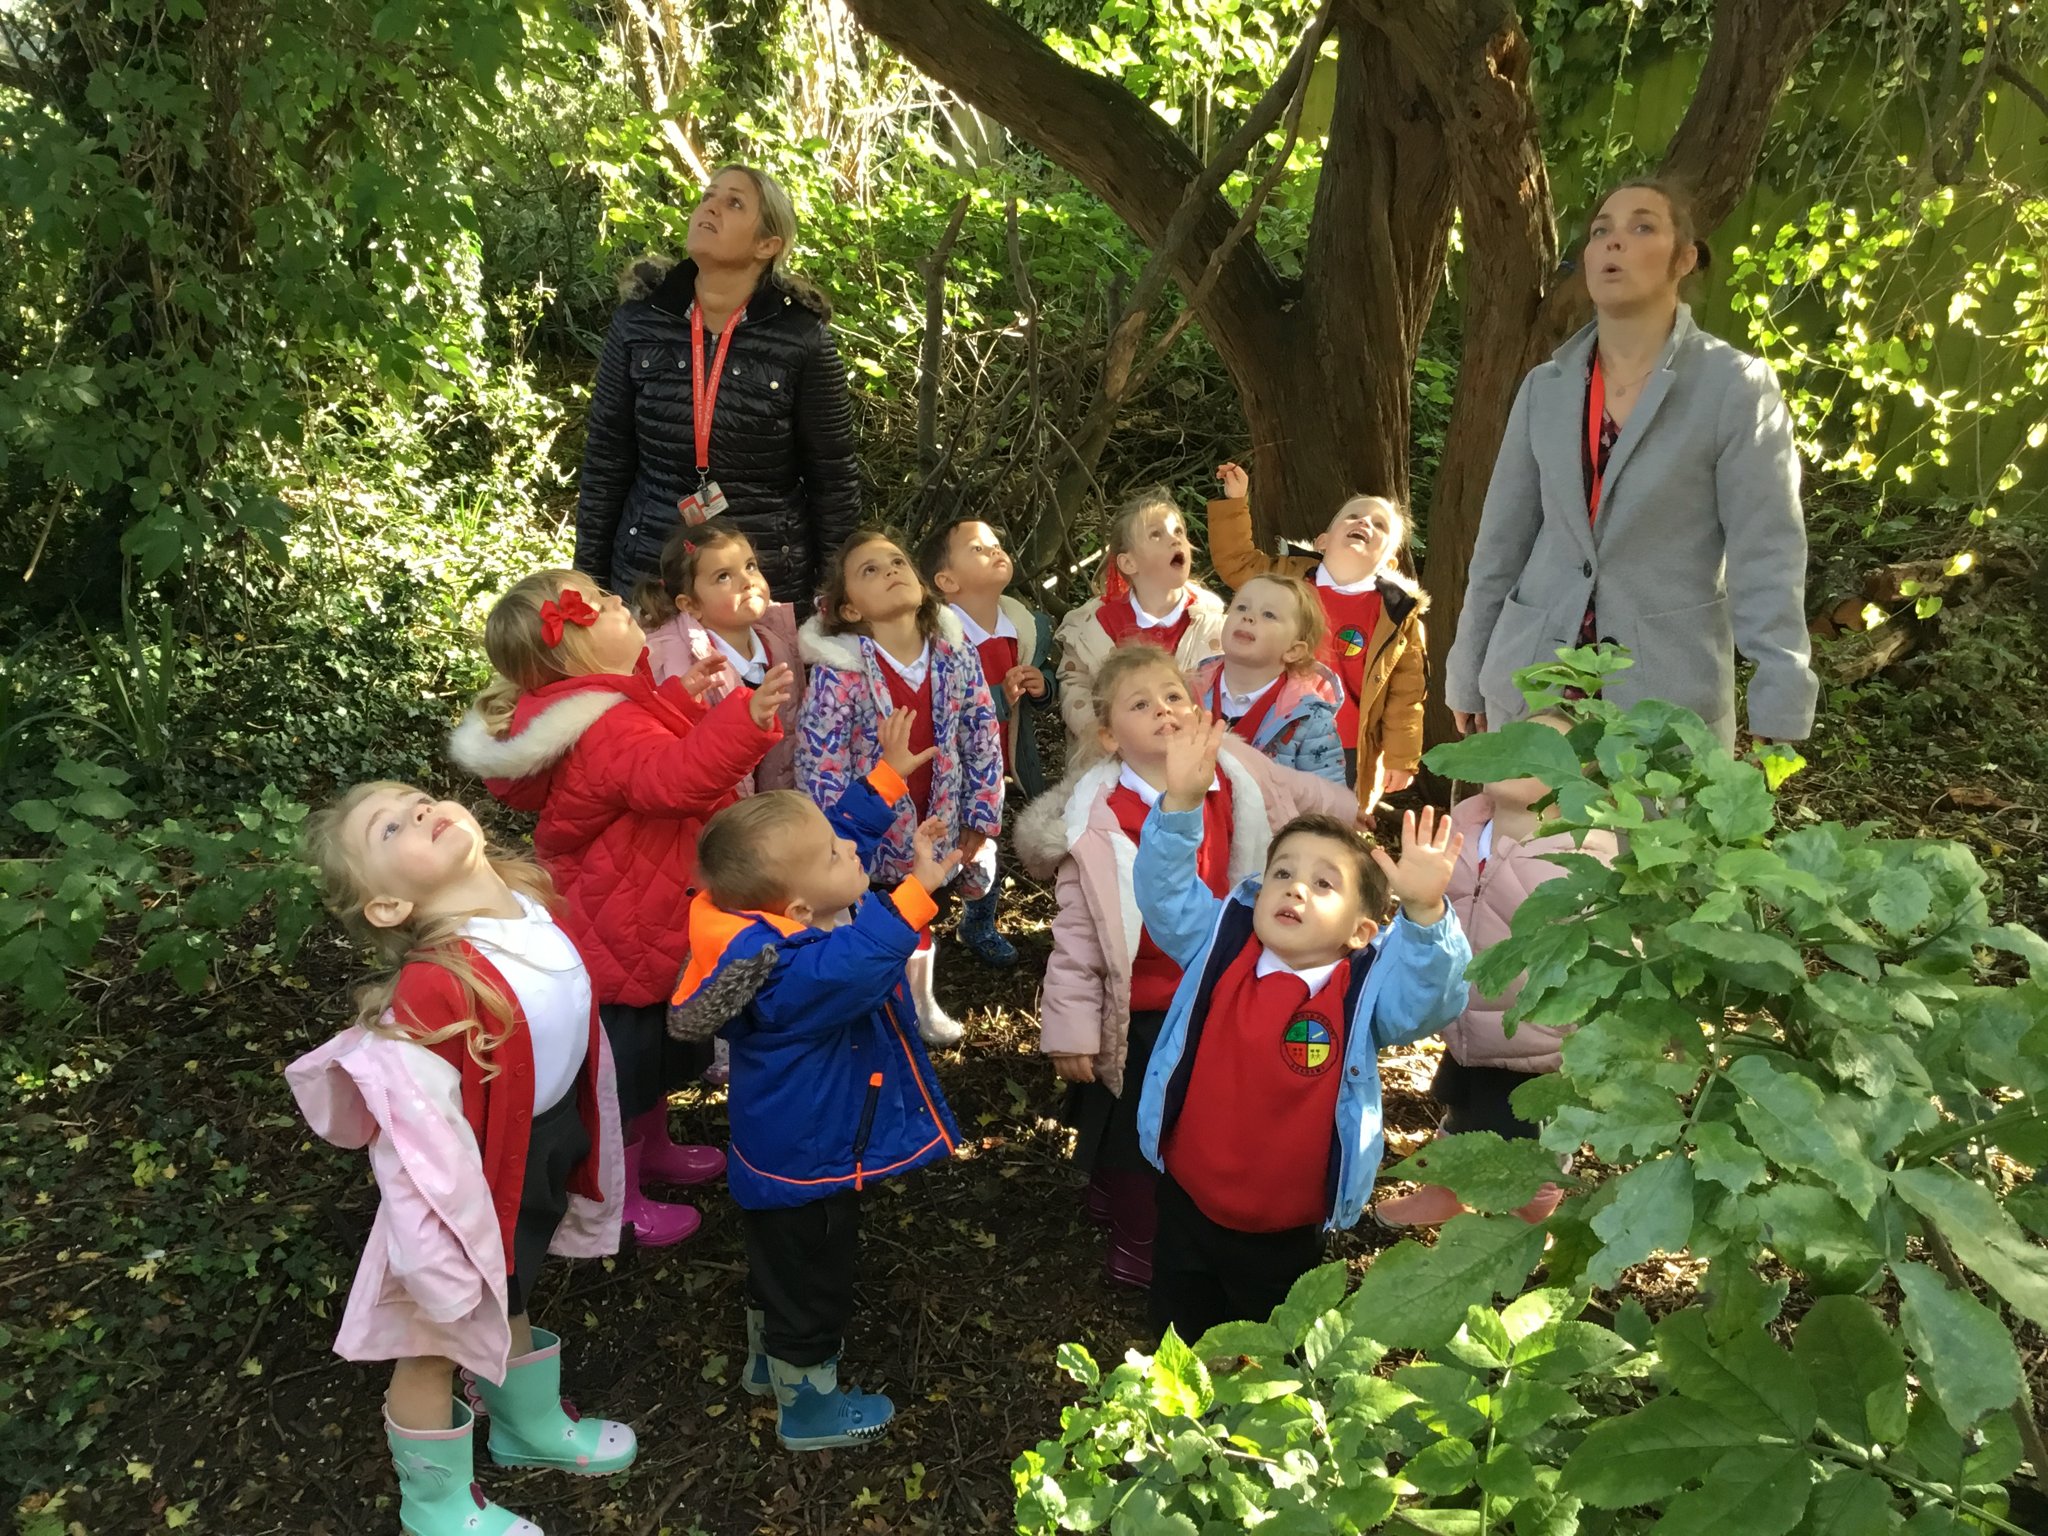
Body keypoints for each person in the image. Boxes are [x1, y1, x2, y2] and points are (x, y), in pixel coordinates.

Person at [289, 784, 635, 1536]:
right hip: (454, 1206)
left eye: (418, 799)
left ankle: (523, 1425)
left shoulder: (522, 907)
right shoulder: (436, 988)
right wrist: (436, 1263)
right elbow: (413, 1144)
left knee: (513, 1290)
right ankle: (435, 1504)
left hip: (530, 1159)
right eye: (391, 827)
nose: (419, 810)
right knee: (432, 1348)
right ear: (385, 906)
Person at [449, 569, 794, 1247]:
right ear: (573, 649)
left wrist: (677, 700)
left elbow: (646, 752)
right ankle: (619, 1198)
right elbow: (669, 778)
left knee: (653, 1052)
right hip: (625, 922)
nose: (621, 604)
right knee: (628, 1070)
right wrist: (743, 721)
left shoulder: (603, 706)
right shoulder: (607, 722)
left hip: (634, 905)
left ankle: (653, 1150)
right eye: (604, 604)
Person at [1015, 647, 1358, 1289]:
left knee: (1193, 1118)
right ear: (1111, 736)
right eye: (1141, 705)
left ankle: (1153, 1207)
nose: (1164, 712)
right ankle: (1134, 1234)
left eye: (1174, 697)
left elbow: (1301, 791)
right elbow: (1078, 938)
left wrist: (1351, 821)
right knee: (1131, 1119)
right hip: (1142, 998)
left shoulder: (1234, 776)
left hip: (1219, 990)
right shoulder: (1095, 821)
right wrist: (1070, 1027)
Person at [1443, 176, 1819, 747]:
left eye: (1642, 226)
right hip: (1532, 683)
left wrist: (1781, 700)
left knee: (1646, 839)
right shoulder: (1546, 386)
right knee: (1521, 839)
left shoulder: (1735, 387)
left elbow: (1768, 554)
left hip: (1663, 702)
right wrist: (1468, 670)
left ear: (1684, 259)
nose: (1613, 243)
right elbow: (1501, 541)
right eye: (1600, 231)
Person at [1132, 720, 1472, 1343]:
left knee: (1269, 1346)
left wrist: (1425, 913)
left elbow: (1433, 999)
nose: (1294, 888)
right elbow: (1166, 895)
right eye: (1283, 873)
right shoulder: (1221, 948)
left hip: (1285, 1226)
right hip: (1189, 1195)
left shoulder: (1363, 994)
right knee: (1179, 1328)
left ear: (1361, 931)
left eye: (1323, 883)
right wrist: (1180, 804)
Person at [666, 755, 962, 1451]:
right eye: (837, 856)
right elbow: (860, 960)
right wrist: (918, 893)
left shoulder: (761, 930)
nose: (849, 851)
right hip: (814, 1159)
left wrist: (882, 788)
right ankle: (809, 1410)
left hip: (781, 1151)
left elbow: (812, 842)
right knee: (813, 1282)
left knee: (780, 1268)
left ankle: (767, 1367)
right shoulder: (797, 975)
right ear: (798, 907)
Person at [575, 164, 860, 606]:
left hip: (763, 576)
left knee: (758, 680)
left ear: (767, 245)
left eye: (734, 203)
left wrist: (836, 595)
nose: (710, 206)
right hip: (649, 569)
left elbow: (833, 478)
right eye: (709, 196)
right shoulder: (639, 322)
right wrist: (588, 582)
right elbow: (606, 458)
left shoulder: (801, 337)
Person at [1377, 712, 1619, 1229]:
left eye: (1538, 747)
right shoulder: (1465, 824)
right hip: (1466, 1016)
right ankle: (1445, 1186)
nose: (1513, 750)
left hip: (1530, 1032)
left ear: (1576, 778)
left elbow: (1611, 946)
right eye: (1510, 737)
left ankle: (1533, 1201)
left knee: (1515, 1124)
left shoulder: (1582, 852)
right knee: (1458, 1099)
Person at [796, 530, 1005, 1047]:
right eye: (870, 570)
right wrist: (835, 836)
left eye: (896, 561)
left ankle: (921, 1001)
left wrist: (981, 813)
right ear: (846, 609)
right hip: (867, 832)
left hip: (937, 819)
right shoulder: (839, 673)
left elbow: (981, 730)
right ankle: (874, 1008)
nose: (890, 571)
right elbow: (820, 760)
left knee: (921, 901)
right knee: (871, 914)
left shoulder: (955, 655)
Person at [1207, 463, 1427, 804]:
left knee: (1322, 823)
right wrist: (1236, 502)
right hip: (1275, 725)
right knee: (1253, 808)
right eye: (1353, 517)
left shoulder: (1397, 615)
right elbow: (1237, 562)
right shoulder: (1287, 579)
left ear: (1391, 562)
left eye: (1379, 525)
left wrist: (1401, 757)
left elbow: (1405, 694)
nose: (1364, 523)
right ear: (1322, 541)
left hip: (1344, 744)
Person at [918, 515, 1058, 965]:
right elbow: (947, 707)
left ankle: (978, 921)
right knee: (944, 838)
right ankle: (921, 923)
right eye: (978, 548)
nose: (995, 551)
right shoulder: (939, 636)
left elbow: (1035, 697)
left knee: (985, 841)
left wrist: (1041, 687)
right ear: (946, 580)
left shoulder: (1021, 626)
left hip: (1000, 761)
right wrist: (999, 696)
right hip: (949, 767)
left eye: (996, 544)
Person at [1055, 487, 1226, 768]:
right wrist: (1101, 733)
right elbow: (1076, 684)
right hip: (1117, 763)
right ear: (1128, 562)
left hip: (1197, 760)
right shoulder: (1095, 625)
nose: (1175, 540)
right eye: (1156, 534)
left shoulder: (1212, 621)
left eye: (1179, 531)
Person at [639, 518, 805, 796]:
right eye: (723, 577)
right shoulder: (682, 665)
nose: (747, 582)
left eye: (750, 566)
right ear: (690, 605)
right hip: (717, 812)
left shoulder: (779, 643)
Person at [1189, 572, 1348, 785]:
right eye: (1241, 608)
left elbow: (1327, 801)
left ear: (1293, 650)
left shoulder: (1310, 720)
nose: (1248, 617)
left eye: (1269, 615)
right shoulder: (1188, 691)